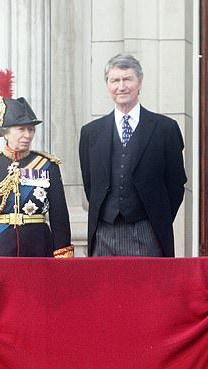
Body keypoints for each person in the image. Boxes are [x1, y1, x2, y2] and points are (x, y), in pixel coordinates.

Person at [79, 53, 186, 257]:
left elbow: (176, 184)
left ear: (139, 82)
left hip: (148, 231)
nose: (121, 86)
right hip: (104, 232)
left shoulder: (165, 129)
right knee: (105, 289)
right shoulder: (90, 133)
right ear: (108, 85)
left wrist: (157, 217)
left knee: (148, 289)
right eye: (115, 80)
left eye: (127, 79)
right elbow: (90, 184)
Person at [0, 70, 73, 258]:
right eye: (21, 129)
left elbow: (59, 215)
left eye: (31, 129)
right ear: (6, 132)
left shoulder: (48, 166)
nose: (27, 135)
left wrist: (62, 251)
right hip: (0, 246)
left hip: (39, 246)